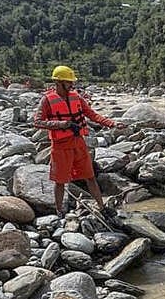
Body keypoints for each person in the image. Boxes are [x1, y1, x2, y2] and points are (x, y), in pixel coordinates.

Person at [32, 65, 124, 217]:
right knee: (60, 181)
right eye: (68, 82)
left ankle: (101, 207)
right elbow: (38, 122)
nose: (71, 85)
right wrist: (61, 124)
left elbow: (92, 115)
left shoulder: (77, 97)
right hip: (60, 146)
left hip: (78, 142)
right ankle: (59, 211)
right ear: (59, 82)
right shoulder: (47, 100)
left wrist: (112, 123)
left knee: (90, 176)